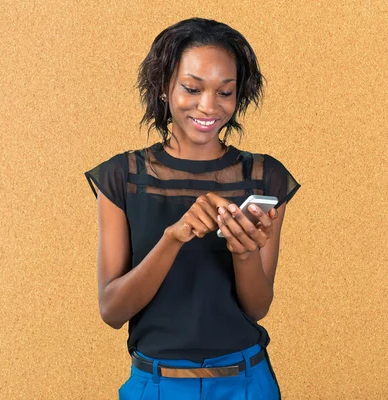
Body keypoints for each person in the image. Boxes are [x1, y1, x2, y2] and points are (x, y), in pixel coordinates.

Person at [84, 18, 300, 400]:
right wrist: (172, 239)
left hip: (248, 383)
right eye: (192, 88)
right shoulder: (123, 176)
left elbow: (258, 307)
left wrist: (244, 252)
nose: (209, 106)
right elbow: (112, 311)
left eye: (225, 92)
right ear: (165, 88)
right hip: (156, 386)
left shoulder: (266, 178)